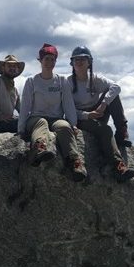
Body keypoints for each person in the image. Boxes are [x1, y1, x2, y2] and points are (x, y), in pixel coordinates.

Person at [18, 43, 87, 182]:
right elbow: (25, 107)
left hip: (56, 118)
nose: (49, 62)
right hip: (36, 118)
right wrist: (21, 129)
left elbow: (68, 104)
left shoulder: (61, 81)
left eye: (52, 59)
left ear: (56, 61)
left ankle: (75, 162)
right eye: (46, 59)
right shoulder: (32, 81)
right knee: (41, 123)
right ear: (40, 60)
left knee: (64, 126)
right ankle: (40, 148)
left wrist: (73, 124)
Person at [69, 46, 134, 183]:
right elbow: (67, 109)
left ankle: (122, 131)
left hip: (97, 111)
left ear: (89, 62)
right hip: (81, 118)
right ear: (72, 63)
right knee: (105, 130)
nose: (79, 62)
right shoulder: (68, 83)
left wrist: (103, 104)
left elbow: (116, 87)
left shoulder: (96, 79)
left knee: (113, 96)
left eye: (83, 59)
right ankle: (118, 166)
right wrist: (87, 115)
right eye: (76, 60)